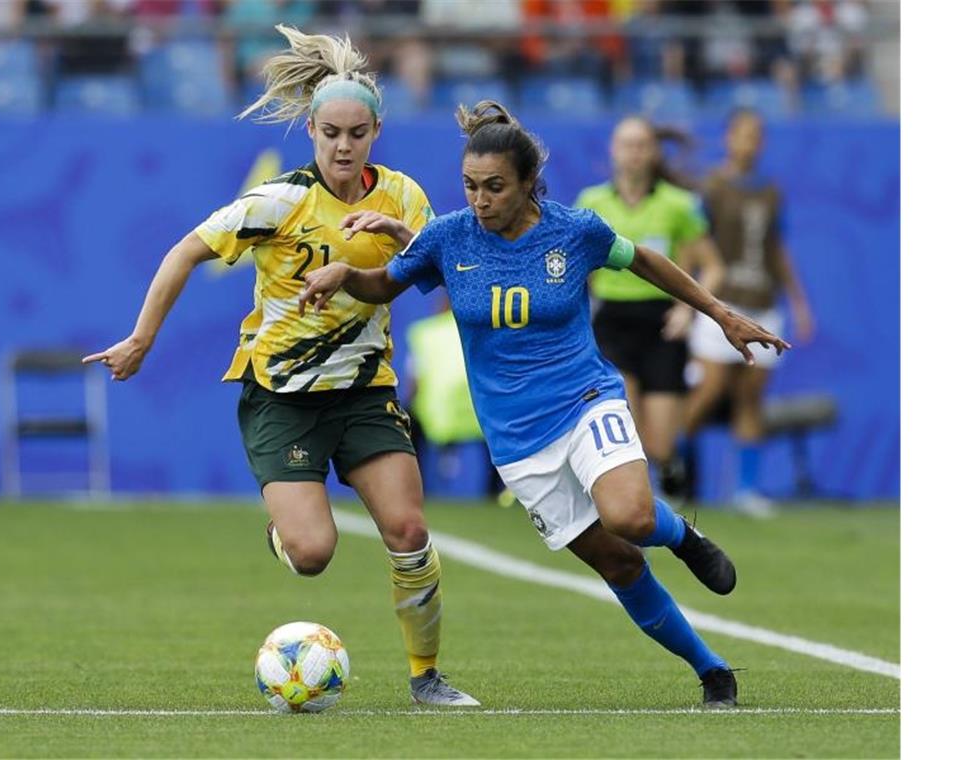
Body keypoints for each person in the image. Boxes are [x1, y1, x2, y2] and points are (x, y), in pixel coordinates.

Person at [298, 100, 791, 708]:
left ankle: (681, 536)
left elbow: (647, 262)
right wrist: (345, 272)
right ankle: (713, 669)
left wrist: (718, 312)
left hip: (584, 398)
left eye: (495, 188)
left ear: (529, 183)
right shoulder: (449, 237)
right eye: (471, 187)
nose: (480, 201)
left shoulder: (573, 230)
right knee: (619, 565)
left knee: (631, 517)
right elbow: (385, 283)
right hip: (517, 440)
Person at [82, 25, 478, 707]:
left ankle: (427, 677)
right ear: (312, 131)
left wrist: (402, 239)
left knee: (410, 532)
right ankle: (284, 533)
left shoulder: (406, 198)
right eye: (331, 133)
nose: (343, 146)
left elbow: (445, 273)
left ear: (376, 131)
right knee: (313, 555)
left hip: (363, 391)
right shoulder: (280, 201)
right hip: (282, 397)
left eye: (356, 133)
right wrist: (142, 339)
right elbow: (185, 251)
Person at [575, 116, 724, 500]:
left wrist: (687, 311)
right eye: (627, 144)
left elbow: (712, 266)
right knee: (627, 432)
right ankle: (635, 510)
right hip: (612, 322)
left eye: (642, 144)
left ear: (654, 152)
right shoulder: (592, 203)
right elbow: (575, 267)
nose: (634, 152)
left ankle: (670, 475)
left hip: (661, 324)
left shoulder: (678, 206)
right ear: (613, 150)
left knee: (659, 444)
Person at [683, 108, 814, 516]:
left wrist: (798, 301)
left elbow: (777, 249)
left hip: (763, 304)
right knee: (710, 389)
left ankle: (745, 490)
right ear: (728, 138)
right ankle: (672, 476)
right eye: (743, 133)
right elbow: (691, 245)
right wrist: (685, 299)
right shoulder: (711, 187)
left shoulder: (771, 191)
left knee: (750, 397)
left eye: (757, 134)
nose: (750, 141)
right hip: (719, 305)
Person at [404, 294, 505, 503]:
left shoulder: (425, 332)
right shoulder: (486, 331)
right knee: (498, 435)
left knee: (408, 423)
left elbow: (415, 381)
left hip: (436, 415)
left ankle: (416, 492)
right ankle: (495, 494)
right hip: (480, 413)